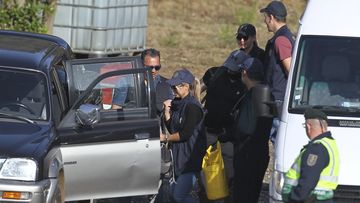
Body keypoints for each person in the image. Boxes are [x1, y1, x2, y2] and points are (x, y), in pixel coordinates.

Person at [219, 57, 273, 203]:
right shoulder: (267, 92)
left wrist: (226, 134)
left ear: (244, 72)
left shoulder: (253, 95)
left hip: (247, 155)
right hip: (260, 154)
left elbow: (244, 127)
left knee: (243, 196)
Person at [201, 49, 249, 202]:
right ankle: (205, 196)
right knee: (204, 169)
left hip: (227, 134)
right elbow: (199, 87)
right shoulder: (215, 74)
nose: (229, 70)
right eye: (228, 66)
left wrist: (231, 133)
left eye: (234, 69)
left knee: (229, 173)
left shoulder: (245, 85)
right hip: (209, 130)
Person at [160, 68, 207, 203]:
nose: (173, 91)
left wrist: (166, 138)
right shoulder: (178, 104)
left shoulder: (193, 107)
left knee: (178, 196)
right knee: (174, 194)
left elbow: (185, 134)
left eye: (175, 88)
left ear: (186, 86)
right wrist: (167, 113)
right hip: (180, 157)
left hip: (190, 159)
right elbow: (173, 128)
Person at [282, 108, 340, 203]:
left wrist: (295, 198)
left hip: (311, 200)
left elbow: (308, 180)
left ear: (309, 127)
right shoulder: (330, 144)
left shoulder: (317, 148)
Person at [260, 1, 295, 143]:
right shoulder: (284, 37)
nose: (265, 21)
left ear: (271, 17)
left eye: (266, 17)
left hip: (278, 101)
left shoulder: (280, 40)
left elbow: (291, 70)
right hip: (277, 100)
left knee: (278, 142)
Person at [112, 48, 172, 115]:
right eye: (150, 68)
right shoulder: (126, 82)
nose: (153, 71)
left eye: (157, 67)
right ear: (141, 65)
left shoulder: (167, 84)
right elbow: (116, 110)